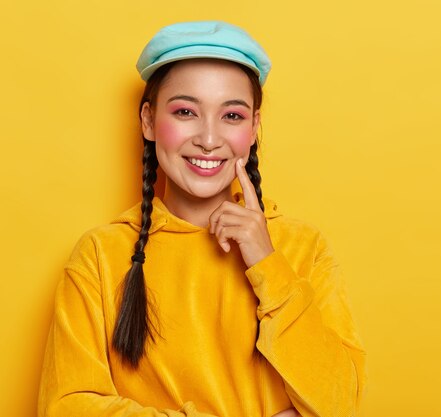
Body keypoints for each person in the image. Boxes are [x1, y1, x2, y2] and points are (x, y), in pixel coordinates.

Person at [37, 21, 366, 417]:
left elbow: (340, 403)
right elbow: (66, 407)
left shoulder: (302, 248)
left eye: (232, 116)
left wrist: (268, 265)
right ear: (148, 120)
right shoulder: (101, 256)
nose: (209, 138)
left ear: (254, 127)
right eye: (186, 111)